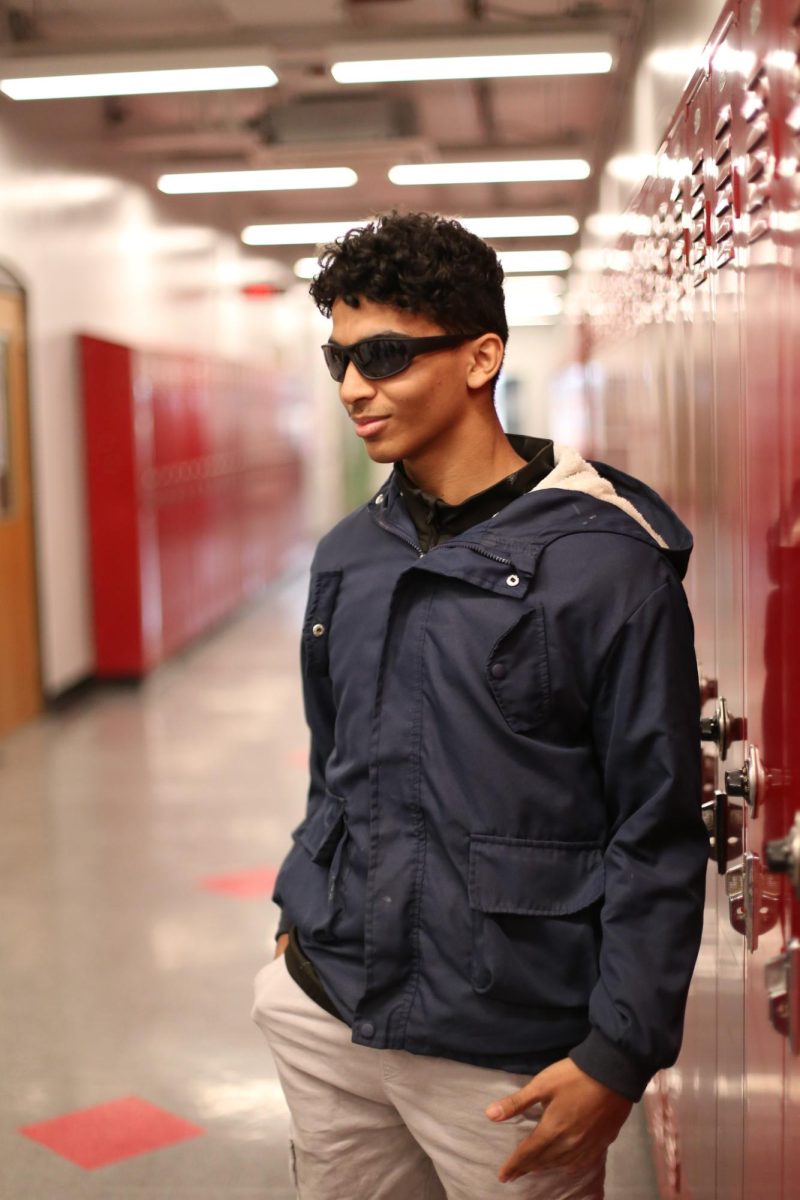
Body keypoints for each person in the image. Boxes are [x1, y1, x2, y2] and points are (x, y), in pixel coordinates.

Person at [252, 210, 708, 1200]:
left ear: (479, 357)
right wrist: (298, 913)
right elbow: (335, 762)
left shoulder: (605, 569)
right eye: (337, 360)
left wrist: (618, 1053)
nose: (352, 389)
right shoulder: (348, 555)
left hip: (502, 1052)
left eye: (380, 355)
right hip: (327, 1008)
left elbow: (654, 827)